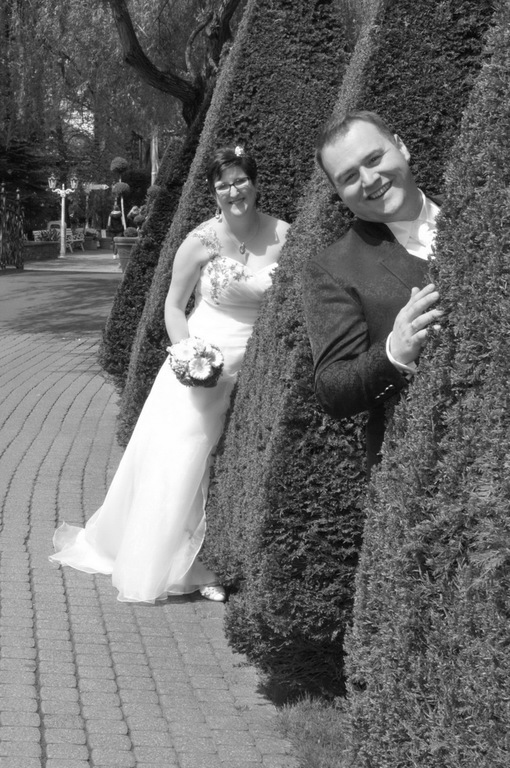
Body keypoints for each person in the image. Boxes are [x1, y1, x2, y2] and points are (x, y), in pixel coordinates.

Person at [50, 146, 290, 602]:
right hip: (203, 363)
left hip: (259, 363)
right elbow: (173, 307)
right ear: (213, 193)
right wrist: (189, 354)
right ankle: (186, 566)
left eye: (240, 181)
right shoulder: (200, 241)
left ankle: (226, 554)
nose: (233, 192)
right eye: (223, 185)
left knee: (235, 463)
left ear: (255, 183)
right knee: (184, 462)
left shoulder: (285, 234)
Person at [303, 110, 443, 475]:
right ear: (339, 192)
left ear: (401, 147)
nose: (369, 180)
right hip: (435, 462)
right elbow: (331, 389)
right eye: (349, 177)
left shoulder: (480, 199)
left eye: (374, 159)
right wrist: (395, 352)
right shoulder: (332, 269)